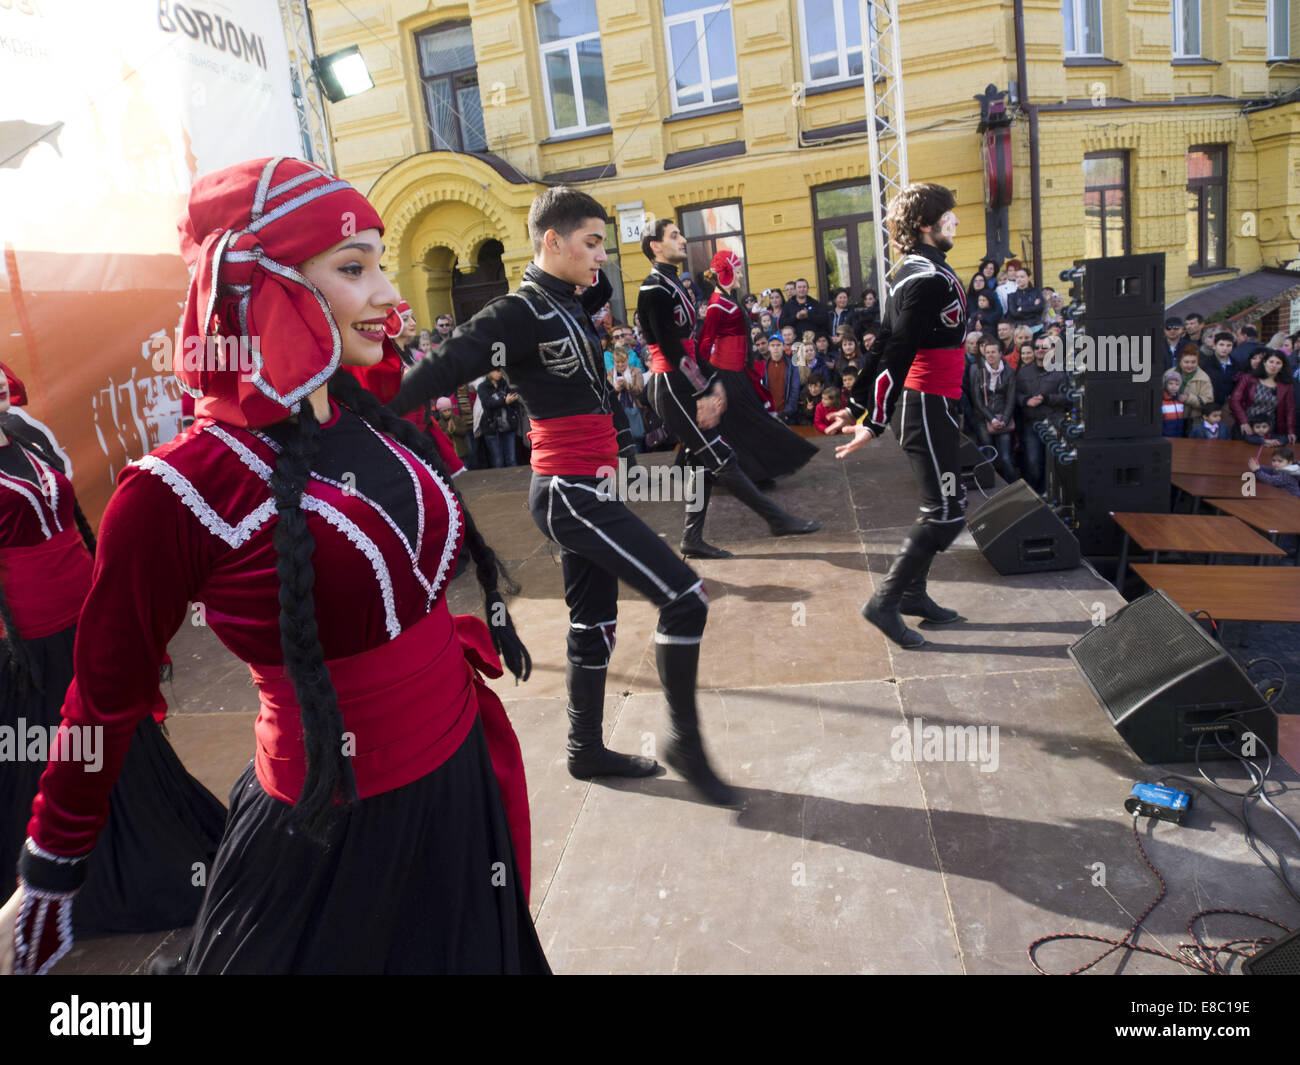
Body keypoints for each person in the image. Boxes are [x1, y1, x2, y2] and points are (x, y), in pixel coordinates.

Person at [1, 157, 542, 977]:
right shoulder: (179, 488)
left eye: (380, 262)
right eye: (354, 267)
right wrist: (50, 866)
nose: (393, 295)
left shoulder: (379, 420)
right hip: (331, 829)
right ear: (265, 287)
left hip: (456, 772)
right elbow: (105, 695)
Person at [390, 187, 740, 805]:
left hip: (591, 483)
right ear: (552, 241)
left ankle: (584, 749)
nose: (602, 255)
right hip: (569, 492)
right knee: (686, 598)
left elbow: (601, 296)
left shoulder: (569, 301)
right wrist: (359, 419)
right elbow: (439, 367)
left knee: (593, 625)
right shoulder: (518, 312)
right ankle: (685, 742)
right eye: (592, 242)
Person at [0, 378, 226, 949]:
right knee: (56, 745)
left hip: (83, 602)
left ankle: (142, 842)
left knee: (114, 727)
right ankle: (71, 873)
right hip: (31, 634)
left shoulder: (24, 435)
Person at [833, 183, 969, 648]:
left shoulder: (916, 270)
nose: (956, 223)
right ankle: (885, 602)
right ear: (927, 226)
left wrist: (853, 404)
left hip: (937, 401)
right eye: (949, 217)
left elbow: (880, 344)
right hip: (925, 404)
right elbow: (897, 351)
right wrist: (873, 420)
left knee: (945, 505)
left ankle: (912, 595)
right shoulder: (924, 278)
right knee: (946, 512)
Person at [638, 220, 821, 559]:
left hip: (683, 381)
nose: (683, 238)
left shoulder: (673, 283)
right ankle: (777, 519)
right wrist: (706, 388)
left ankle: (692, 538)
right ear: (655, 246)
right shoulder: (654, 289)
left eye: (681, 232)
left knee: (700, 465)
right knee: (722, 457)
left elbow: (689, 347)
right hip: (672, 386)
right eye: (674, 235)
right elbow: (674, 351)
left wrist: (713, 382)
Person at [695, 250, 816, 507]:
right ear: (725, 273)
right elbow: (703, 345)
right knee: (747, 422)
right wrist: (710, 380)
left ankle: (754, 472)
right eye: (736, 270)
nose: (740, 274)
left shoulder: (727, 299)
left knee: (744, 423)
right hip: (727, 374)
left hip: (737, 372)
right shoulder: (717, 305)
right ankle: (761, 468)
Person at [1015, 335, 1067, 491]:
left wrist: (1046, 398)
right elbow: (1014, 395)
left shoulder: (1061, 371)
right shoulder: (1024, 373)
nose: (1039, 350)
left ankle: (1050, 495)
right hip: (1032, 424)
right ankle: (1037, 496)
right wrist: (1025, 401)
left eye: (1043, 347)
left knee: (1054, 465)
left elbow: (1068, 398)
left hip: (1054, 422)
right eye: (1037, 347)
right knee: (1033, 464)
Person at [968, 336, 1019, 483]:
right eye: (988, 352)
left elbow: (1011, 399)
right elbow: (977, 400)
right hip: (984, 420)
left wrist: (1003, 419)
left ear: (1000, 354)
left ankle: (1013, 487)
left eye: (993, 352)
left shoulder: (1008, 373)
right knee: (989, 456)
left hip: (1004, 419)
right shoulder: (979, 373)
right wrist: (992, 419)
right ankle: (992, 487)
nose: (990, 355)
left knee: (1005, 458)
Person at [1229, 351, 1296, 443]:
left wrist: (1290, 431)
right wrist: (1243, 421)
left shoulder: (1286, 385)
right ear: (1264, 363)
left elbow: (1290, 409)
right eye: (1271, 362)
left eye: (1278, 363)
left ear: (1282, 366)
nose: (1274, 365)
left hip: (1270, 430)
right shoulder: (1248, 378)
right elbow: (1235, 400)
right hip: (1247, 425)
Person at [477, 369, 521, 468]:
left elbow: (515, 398)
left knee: (512, 459)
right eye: (496, 370)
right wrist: (504, 401)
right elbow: (487, 403)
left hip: (508, 426)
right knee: (498, 461)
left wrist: (510, 401)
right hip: (492, 428)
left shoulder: (506, 384)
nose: (499, 373)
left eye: (500, 370)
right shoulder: (482, 387)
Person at [1174, 343, 1214, 428]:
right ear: (1180, 361)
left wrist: (1189, 398)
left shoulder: (1203, 378)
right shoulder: (1169, 374)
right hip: (1171, 419)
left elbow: (1208, 401)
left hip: (1193, 422)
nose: (1190, 365)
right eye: (1186, 362)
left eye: (1193, 362)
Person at [763, 335, 800, 422]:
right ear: (768, 347)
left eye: (778, 345)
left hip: (786, 414)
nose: (775, 348)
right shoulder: (763, 366)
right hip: (768, 413)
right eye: (772, 345)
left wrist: (786, 412)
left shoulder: (792, 366)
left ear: (783, 347)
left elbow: (795, 391)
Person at [1004, 267, 1044, 333]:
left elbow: (1040, 308)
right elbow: (1014, 314)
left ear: (1029, 278)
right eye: (1017, 277)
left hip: (1036, 327)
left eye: (1022, 277)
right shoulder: (1012, 296)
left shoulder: (1036, 291)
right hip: (1019, 329)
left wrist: (1022, 309)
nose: (1019, 279)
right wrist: (1032, 306)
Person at [1162, 371, 1187, 437]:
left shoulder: (1180, 400)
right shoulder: (1162, 400)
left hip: (1179, 432)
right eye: (1171, 383)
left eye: (1177, 384)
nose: (1173, 386)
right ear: (1165, 384)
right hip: (1166, 433)